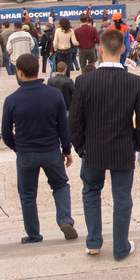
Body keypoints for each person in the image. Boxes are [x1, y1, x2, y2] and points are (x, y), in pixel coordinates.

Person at [69, 29, 140, 261]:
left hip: (93, 147)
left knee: (91, 191)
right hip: (123, 146)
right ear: (123, 49)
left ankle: (94, 241)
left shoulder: (84, 81)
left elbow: (74, 120)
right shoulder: (135, 82)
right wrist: (136, 143)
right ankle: (120, 247)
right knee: (122, 197)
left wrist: (80, 146)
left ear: (100, 49)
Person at [1, 54, 77, 244]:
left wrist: (17, 147)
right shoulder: (54, 95)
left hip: (25, 152)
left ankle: (34, 234)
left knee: (27, 194)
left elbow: (5, 132)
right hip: (51, 149)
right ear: (37, 70)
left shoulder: (12, 100)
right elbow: (63, 126)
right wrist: (66, 150)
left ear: (19, 72)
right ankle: (65, 220)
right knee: (60, 185)